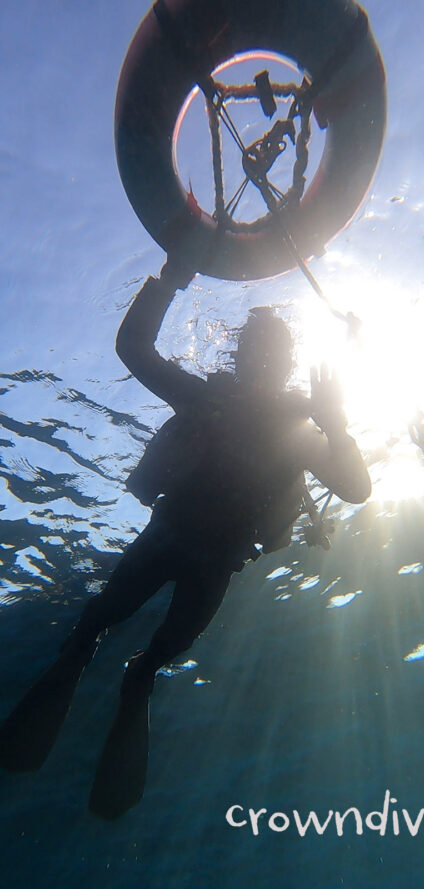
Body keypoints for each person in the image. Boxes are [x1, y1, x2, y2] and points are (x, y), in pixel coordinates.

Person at [0, 254, 371, 819]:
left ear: (286, 363)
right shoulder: (209, 401)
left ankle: (136, 678)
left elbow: (355, 490)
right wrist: (171, 276)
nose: (265, 361)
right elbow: (134, 350)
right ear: (240, 356)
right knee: (97, 621)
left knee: (160, 650)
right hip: (171, 539)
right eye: (257, 350)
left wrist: (338, 426)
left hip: (215, 561)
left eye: (276, 354)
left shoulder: (301, 428)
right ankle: (89, 659)